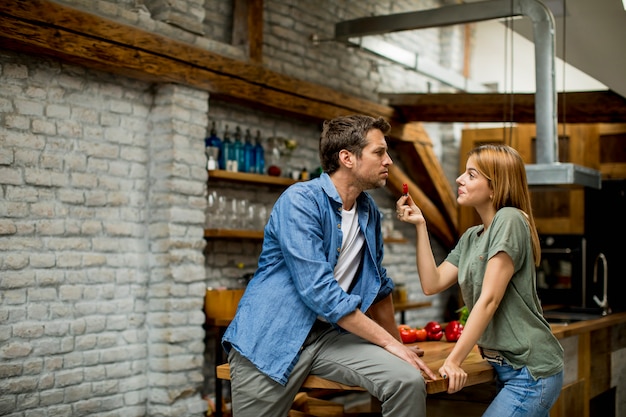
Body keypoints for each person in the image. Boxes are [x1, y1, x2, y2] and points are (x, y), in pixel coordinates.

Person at [222, 114, 437, 417]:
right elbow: (319, 291)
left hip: (328, 337)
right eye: (379, 152)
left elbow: (379, 286)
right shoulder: (300, 201)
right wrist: (388, 343)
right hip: (271, 337)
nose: (388, 161)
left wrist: (398, 347)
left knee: (406, 379)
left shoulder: (368, 211)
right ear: (347, 158)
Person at [397, 144, 564, 417]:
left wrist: (454, 360)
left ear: (495, 187)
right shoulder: (473, 235)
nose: (460, 179)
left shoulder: (509, 219)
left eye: (472, 175)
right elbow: (432, 283)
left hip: (531, 372)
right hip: (506, 369)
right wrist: (420, 225)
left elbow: (489, 299)